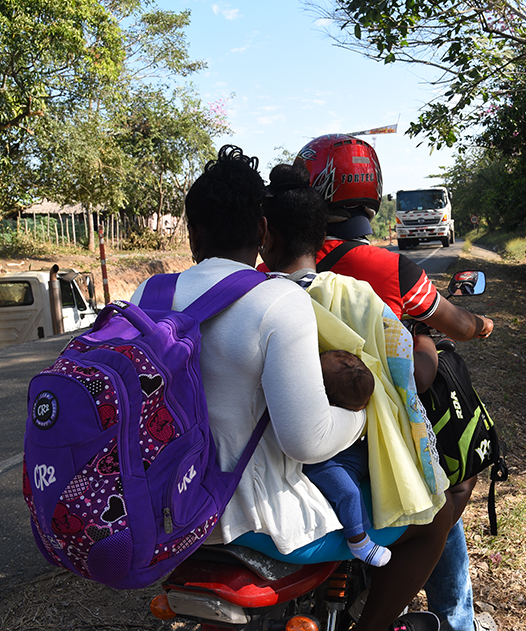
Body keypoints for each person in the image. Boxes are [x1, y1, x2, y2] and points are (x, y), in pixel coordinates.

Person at [131, 146, 451, 631]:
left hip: (171, 513)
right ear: (261, 232)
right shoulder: (278, 301)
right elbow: (306, 439)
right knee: (435, 519)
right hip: (261, 521)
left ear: (191, 231)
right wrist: (364, 414)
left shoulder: (148, 296)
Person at [294, 134, 496, 631]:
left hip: (297, 424)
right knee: (452, 485)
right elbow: (458, 328)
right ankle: (449, 619)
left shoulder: (275, 266)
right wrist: (479, 326)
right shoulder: (389, 268)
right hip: (372, 430)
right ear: (373, 192)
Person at [306, 349, 390, 567]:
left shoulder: (340, 396)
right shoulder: (321, 412)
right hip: (325, 463)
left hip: (351, 455)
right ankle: (359, 542)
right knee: (348, 493)